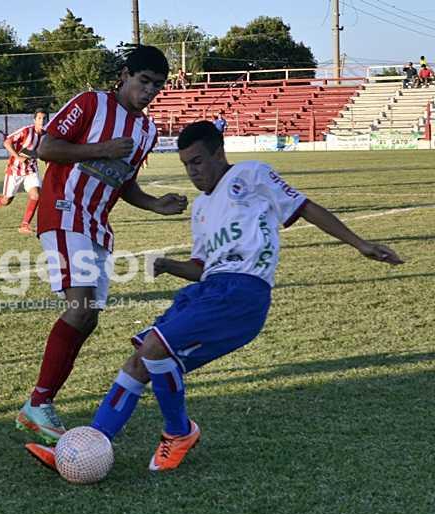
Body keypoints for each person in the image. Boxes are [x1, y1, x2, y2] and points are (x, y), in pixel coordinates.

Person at [25, 120, 403, 472]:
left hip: (243, 292)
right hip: (206, 290)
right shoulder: (202, 208)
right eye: (186, 165)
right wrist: (169, 265)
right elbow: (201, 267)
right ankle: (86, 447)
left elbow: (305, 208)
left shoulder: (251, 174)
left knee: (155, 349)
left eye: (198, 162)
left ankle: (179, 432)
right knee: (139, 362)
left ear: (219, 153)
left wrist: (360, 244)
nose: (193, 172)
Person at [15, 45, 188, 444]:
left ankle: (40, 403)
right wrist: (101, 149)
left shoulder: (147, 131)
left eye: (157, 86)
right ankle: (38, 404)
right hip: (63, 211)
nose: (149, 91)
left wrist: (154, 204)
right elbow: (46, 148)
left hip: (96, 226)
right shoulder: (91, 103)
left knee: (88, 317)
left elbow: (124, 182)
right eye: (144, 81)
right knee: (80, 309)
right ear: (125, 75)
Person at [0, 109, 48, 235]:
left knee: (36, 195)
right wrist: (18, 157)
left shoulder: (47, 137)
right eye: (39, 118)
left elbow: (46, 154)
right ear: (34, 120)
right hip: (14, 170)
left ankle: (24, 225)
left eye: (44, 118)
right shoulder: (26, 131)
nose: (42, 121)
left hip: (31, 170)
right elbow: (7, 142)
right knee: (6, 200)